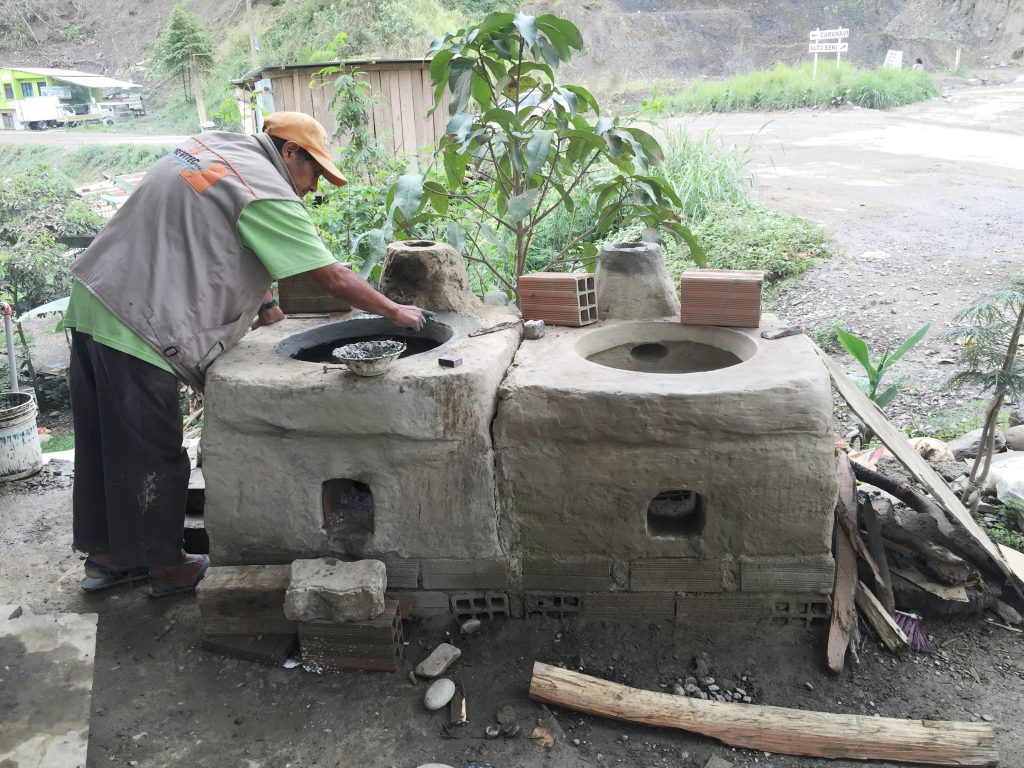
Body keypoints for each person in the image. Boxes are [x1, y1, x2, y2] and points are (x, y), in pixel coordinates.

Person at [64, 112, 425, 596]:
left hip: (96, 296)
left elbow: (210, 236)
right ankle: (166, 566)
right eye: (314, 173)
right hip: (137, 320)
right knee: (153, 450)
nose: (313, 189)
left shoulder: (216, 149)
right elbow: (331, 275)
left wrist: (268, 303)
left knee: (104, 443)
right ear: (289, 153)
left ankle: (106, 559)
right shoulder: (267, 189)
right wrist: (395, 312)